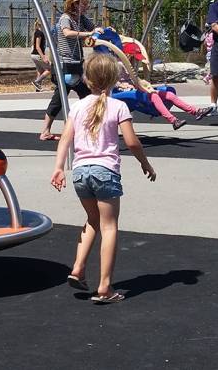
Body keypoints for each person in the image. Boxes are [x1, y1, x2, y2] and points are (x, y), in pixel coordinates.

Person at [50, 52, 156, 304]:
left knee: (92, 220)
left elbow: (65, 138)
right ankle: (105, 287)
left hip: (80, 172)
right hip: (105, 172)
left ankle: (78, 266)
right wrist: (145, 163)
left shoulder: (77, 106)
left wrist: (58, 167)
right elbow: (131, 142)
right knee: (109, 227)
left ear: (86, 80)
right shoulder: (118, 106)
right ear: (114, 79)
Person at [40, 0, 102, 141]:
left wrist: (103, 31)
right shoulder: (65, 18)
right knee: (81, 96)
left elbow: (93, 28)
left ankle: (47, 130)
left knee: (66, 97)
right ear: (75, 4)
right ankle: (87, 127)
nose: (87, 7)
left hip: (76, 64)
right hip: (65, 65)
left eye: (87, 4)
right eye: (84, 4)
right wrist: (88, 34)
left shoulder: (81, 19)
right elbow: (67, 33)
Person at [116, 63, 212, 130]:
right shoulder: (108, 63)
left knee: (169, 94)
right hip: (120, 92)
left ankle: (196, 111)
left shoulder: (124, 63)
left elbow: (134, 78)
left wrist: (142, 83)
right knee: (153, 96)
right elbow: (107, 81)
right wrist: (121, 85)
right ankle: (173, 120)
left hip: (135, 89)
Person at [30, 20, 50, 92]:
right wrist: (43, 57)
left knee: (40, 71)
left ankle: (38, 88)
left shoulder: (37, 32)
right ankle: (36, 82)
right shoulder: (39, 33)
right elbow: (38, 47)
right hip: (37, 55)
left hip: (34, 55)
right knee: (49, 69)